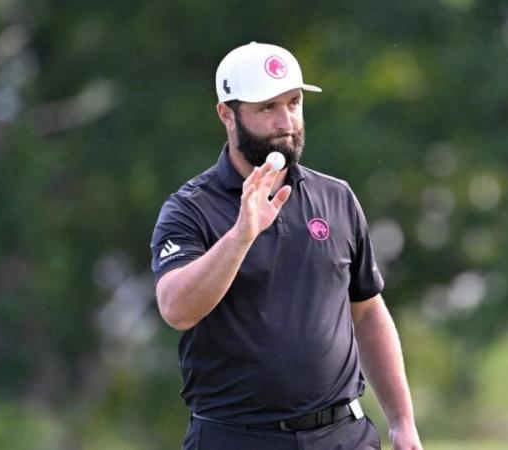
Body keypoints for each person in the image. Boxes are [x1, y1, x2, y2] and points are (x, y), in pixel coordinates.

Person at [150, 41, 423, 450]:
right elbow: (176, 309)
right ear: (227, 114)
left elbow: (366, 312)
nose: (286, 121)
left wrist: (402, 421)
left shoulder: (336, 197)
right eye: (267, 108)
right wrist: (242, 234)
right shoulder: (190, 209)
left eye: (293, 103)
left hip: (342, 436)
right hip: (235, 438)